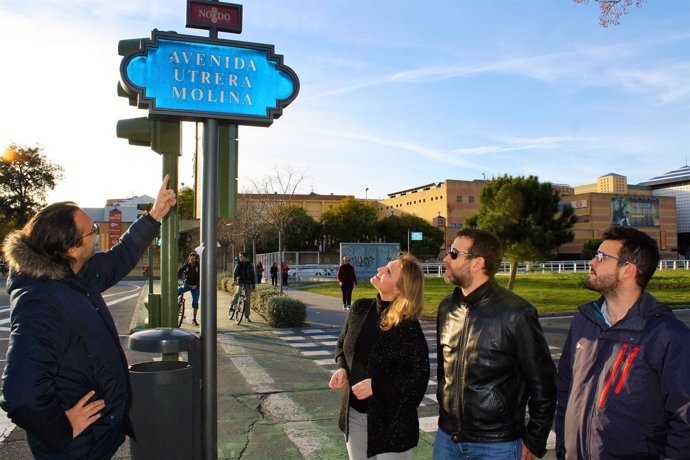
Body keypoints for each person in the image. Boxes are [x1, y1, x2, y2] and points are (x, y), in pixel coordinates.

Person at [0, 176, 176, 459]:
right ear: (71, 248)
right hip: (75, 449)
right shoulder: (41, 301)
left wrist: (154, 215)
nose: (96, 234)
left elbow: (120, 257)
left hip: (95, 441)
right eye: (92, 230)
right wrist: (61, 428)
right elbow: (20, 394)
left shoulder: (76, 274)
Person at [555, 227, 690, 459]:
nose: (591, 262)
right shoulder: (583, 322)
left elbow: (684, 417)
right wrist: (562, 449)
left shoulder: (668, 334)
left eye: (601, 257)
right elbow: (565, 392)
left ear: (628, 270)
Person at [434, 228, 556, 460]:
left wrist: (534, 440)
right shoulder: (446, 307)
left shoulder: (517, 313)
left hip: (497, 444)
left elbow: (543, 385)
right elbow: (443, 370)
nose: (445, 259)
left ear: (477, 263)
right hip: (447, 438)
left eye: (454, 253)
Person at [329, 253, 430, 459]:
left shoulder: (408, 326)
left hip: (392, 426)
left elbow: (418, 380)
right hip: (354, 418)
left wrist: (376, 386)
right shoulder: (359, 308)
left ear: (400, 288)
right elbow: (341, 345)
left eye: (388, 271)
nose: (379, 270)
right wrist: (341, 367)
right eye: (384, 266)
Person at [229, 252, 256, 322]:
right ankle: (232, 305)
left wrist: (253, 286)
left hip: (248, 283)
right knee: (237, 293)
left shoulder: (250, 265)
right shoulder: (238, 264)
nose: (240, 258)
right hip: (240, 282)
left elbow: (253, 275)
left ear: (245, 257)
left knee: (247, 300)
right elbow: (235, 273)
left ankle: (246, 316)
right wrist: (234, 280)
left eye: (241, 256)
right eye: (239, 256)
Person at [177, 251, 200, 326]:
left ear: (196, 259)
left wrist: (196, 285)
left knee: (195, 302)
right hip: (187, 284)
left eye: (194, 258)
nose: (192, 260)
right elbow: (179, 272)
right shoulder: (186, 265)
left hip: (196, 286)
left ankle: (194, 319)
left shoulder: (199, 266)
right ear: (189, 259)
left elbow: (201, 277)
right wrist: (179, 279)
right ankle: (177, 304)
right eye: (191, 258)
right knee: (177, 291)